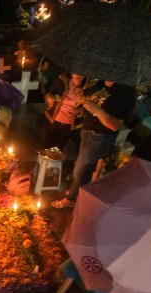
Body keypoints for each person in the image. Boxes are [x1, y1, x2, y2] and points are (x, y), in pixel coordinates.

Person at [51, 80, 136, 209]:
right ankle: (77, 194)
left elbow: (114, 125)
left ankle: (72, 199)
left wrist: (95, 109)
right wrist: (82, 109)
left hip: (99, 137)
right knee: (81, 169)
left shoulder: (124, 94)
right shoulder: (100, 85)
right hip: (87, 133)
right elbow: (92, 103)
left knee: (81, 171)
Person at [43, 73, 85, 159]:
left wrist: (82, 110)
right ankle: (41, 166)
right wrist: (49, 98)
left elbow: (91, 104)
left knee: (58, 148)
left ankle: (52, 169)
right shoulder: (62, 81)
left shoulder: (88, 88)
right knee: (47, 145)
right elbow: (49, 92)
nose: (79, 75)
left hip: (69, 123)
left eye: (82, 73)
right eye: (76, 72)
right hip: (55, 119)